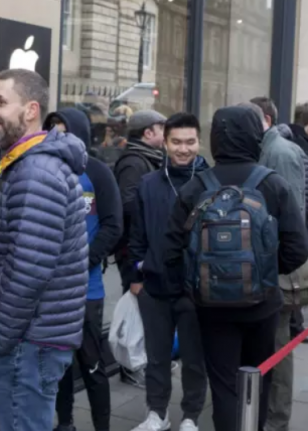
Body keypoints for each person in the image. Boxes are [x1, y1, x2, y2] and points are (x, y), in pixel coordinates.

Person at [163, 104, 308, 431]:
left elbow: (169, 249)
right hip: (262, 305)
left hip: (211, 307)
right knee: (258, 381)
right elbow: (299, 248)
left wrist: (192, 285)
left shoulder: (197, 186)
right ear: (256, 136)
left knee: (224, 386)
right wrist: (265, 271)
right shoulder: (272, 185)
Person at [0, 69, 89, 431]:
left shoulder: (35, 172)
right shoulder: (24, 165)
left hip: (28, 339)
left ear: (30, 110)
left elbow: (30, 270)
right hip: (31, 336)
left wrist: (0, 336)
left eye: (0, 101)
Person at [43, 107, 123, 431]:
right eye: (52, 131)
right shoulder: (42, 170)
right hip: (48, 291)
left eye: (64, 131)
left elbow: (113, 226)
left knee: (91, 365)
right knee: (57, 367)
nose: (57, 137)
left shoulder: (98, 172)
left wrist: (83, 261)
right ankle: (65, 424)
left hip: (86, 289)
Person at [128, 113, 209, 431]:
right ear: (165, 142)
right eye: (176, 142)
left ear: (199, 142)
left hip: (195, 288)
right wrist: (135, 278)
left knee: (194, 358)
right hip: (155, 286)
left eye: (190, 142)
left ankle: (190, 416)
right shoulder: (148, 183)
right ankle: (156, 413)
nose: (183, 149)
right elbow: (136, 235)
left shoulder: (210, 182)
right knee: (156, 357)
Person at [250, 97, 308, 431]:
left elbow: (289, 215)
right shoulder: (270, 148)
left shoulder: (280, 152)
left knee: (278, 345)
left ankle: (276, 420)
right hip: (264, 266)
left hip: (276, 268)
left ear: (264, 118)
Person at [113, 109, 166, 387]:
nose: (166, 135)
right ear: (148, 133)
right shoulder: (135, 162)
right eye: (162, 129)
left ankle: (137, 362)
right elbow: (128, 203)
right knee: (136, 308)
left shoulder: (148, 159)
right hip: (133, 249)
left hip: (144, 247)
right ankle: (129, 366)